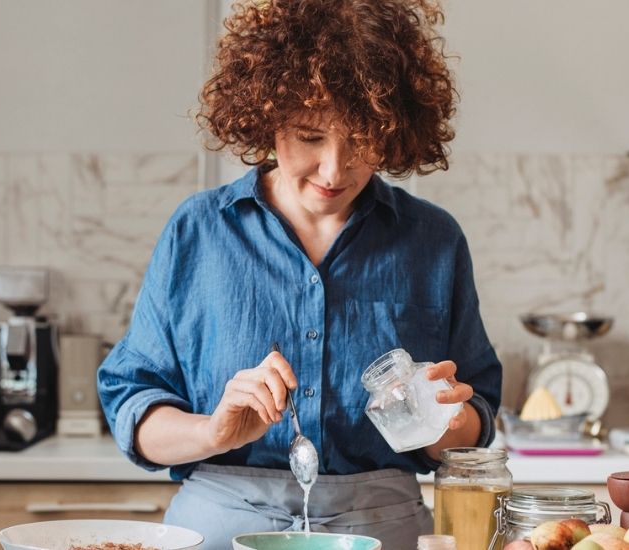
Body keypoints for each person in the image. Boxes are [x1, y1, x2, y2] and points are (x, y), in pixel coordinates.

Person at [98, 0, 501, 547]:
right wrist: (211, 430)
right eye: (310, 136)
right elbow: (133, 403)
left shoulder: (433, 239)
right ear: (266, 119)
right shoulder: (199, 231)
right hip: (218, 523)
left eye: (361, 139)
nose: (334, 169)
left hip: (385, 527)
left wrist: (447, 422)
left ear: (395, 128)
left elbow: (474, 421)